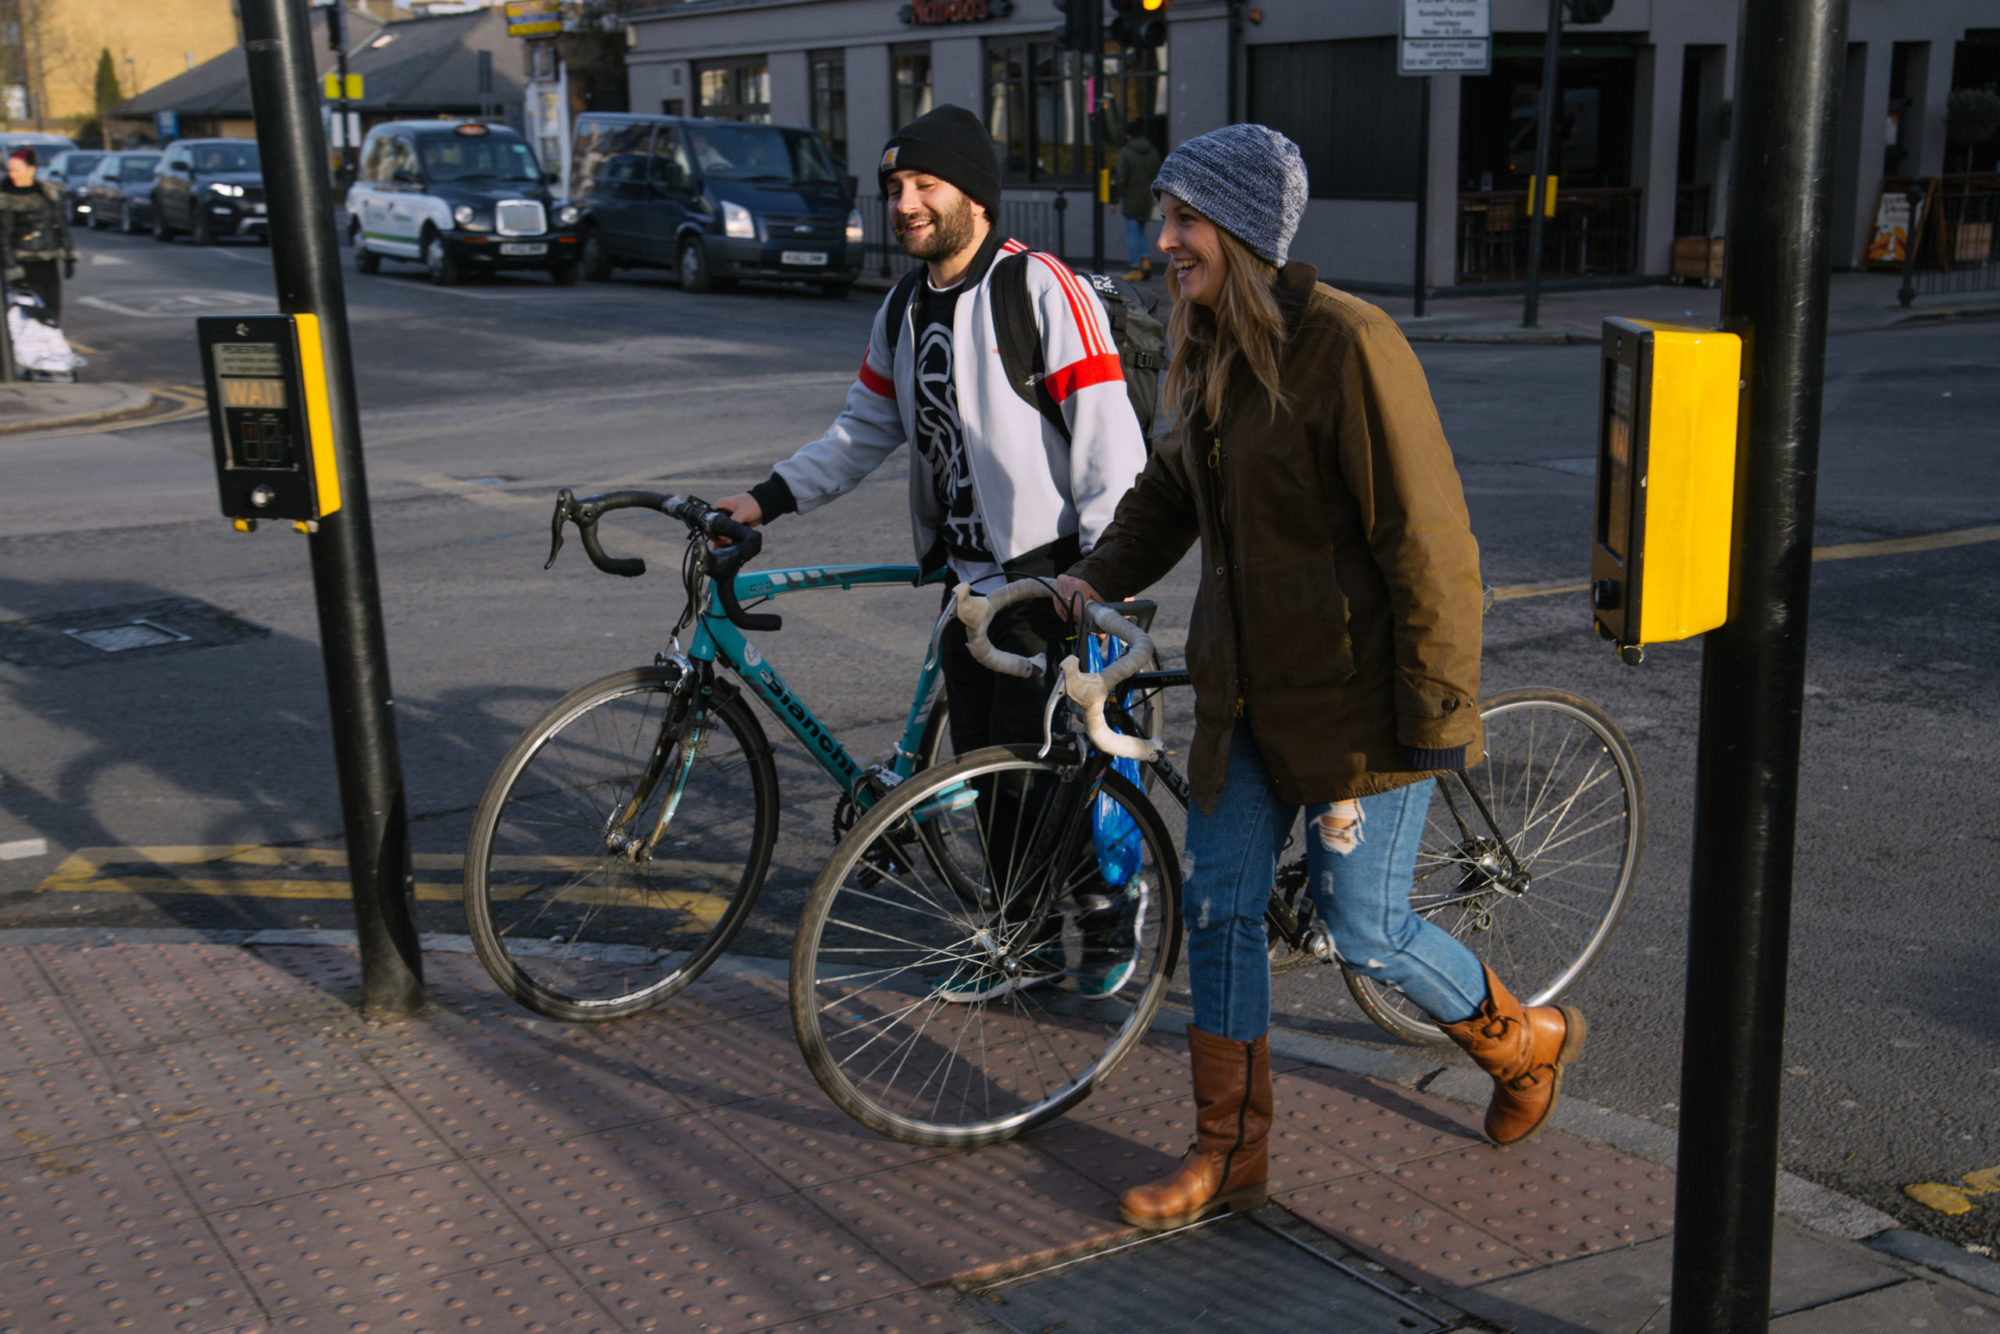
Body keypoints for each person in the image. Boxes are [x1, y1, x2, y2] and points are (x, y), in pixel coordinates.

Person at [1054, 124, 1587, 1231]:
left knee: (1365, 926)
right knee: (1217, 907)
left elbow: (1427, 541)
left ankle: (1524, 1042)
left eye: (1182, 219)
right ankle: (1227, 1150)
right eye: (1164, 218)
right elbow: (1167, 494)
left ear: (1240, 228)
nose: (1162, 242)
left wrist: (1436, 713)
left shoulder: (1349, 344)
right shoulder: (1205, 342)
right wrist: (1094, 575)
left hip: (1354, 708)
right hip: (1243, 693)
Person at [714, 104, 1149, 999]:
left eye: (924, 184)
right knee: (989, 775)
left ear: (975, 198)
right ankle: (1020, 942)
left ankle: (1111, 908)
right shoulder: (906, 305)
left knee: (1049, 770)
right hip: (970, 585)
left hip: (1053, 577)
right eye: (894, 187)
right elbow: (861, 429)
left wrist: (1102, 580)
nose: (904, 202)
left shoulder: (1037, 289)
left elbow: (1113, 446)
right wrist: (763, 498)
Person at [1, 148, 77, 323]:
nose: (12, 175)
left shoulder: (46, 192)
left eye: (16, 170)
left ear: (31, 169)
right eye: (9, 170)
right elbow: (3, 236)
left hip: (48, 262)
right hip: (23, 264)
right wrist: (12, 269)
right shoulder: (5, 197)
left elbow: (59, 224)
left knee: (52, 314)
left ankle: (50, 348)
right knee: (29, 319)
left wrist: (68, 256)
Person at [1110, 121, 1162, 282]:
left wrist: (1114, 200)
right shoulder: (1153, 152)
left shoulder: (1126, 153)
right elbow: (1158, 174)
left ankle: (1135, 268)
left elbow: (1121, 178)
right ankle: (1145, 261)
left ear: (1128, 135)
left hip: (1131, 197)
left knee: (1133, 233)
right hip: (1147, 197)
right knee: (1141, 231)